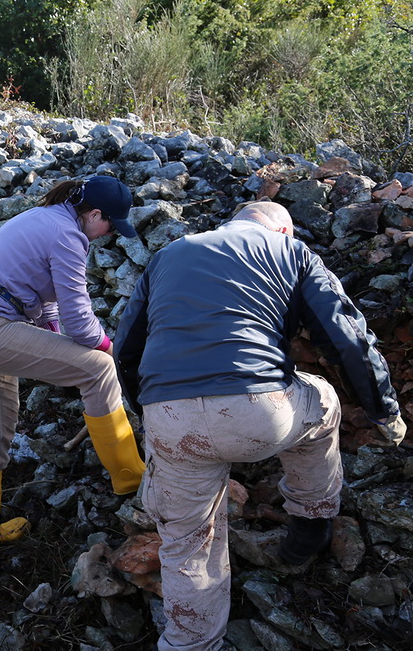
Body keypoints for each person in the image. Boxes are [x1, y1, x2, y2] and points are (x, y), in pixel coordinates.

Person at [113, 201, 405, 651]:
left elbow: (127, 346)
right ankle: (311, 522)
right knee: (322, 400)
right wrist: (384, 409)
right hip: (259, 411)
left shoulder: (169, 253)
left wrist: (147, 413)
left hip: (168, 415)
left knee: (188, 542)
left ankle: (189, 644)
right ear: (283, 229)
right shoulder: (293, 253)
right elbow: (346, 335)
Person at [0, 175, 145, 542]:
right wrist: (112, 349)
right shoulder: (68, 235)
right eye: (109, 225)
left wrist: (51, 331)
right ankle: (132, 480)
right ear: (94, 213)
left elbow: (46, 296)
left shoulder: (44, 218)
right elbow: (79, 319)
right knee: (99, 369)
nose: (109, 234)